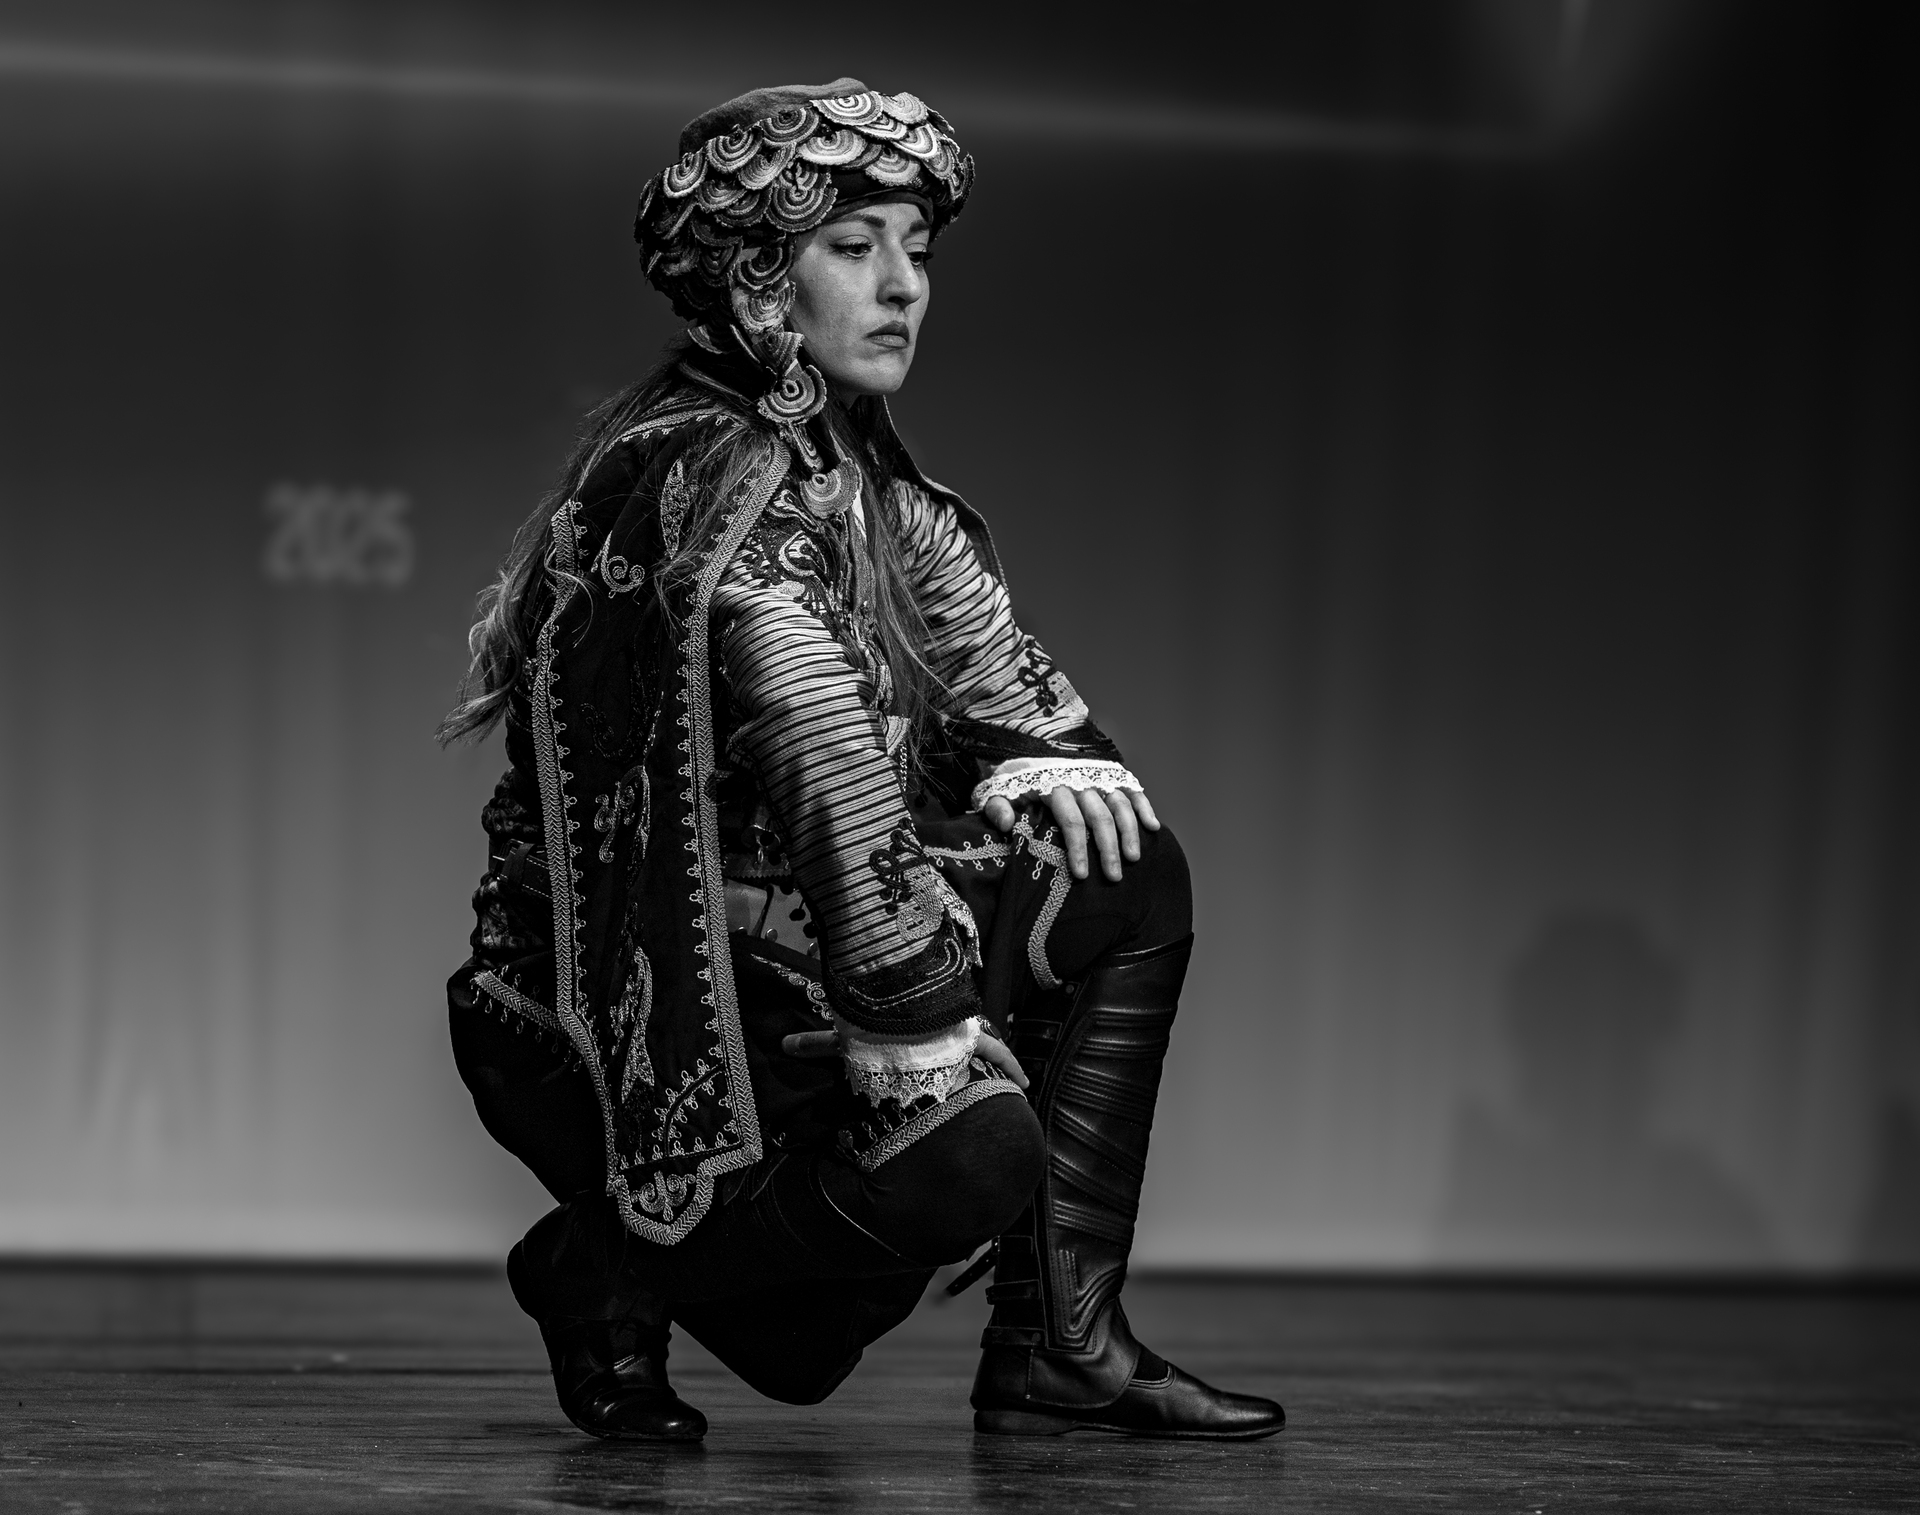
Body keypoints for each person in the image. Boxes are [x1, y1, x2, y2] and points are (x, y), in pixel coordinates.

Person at [440, 79, 1284, 1444]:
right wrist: (912, 1017)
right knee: (965, 1158)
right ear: (758, 281)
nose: (903, 288)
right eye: (854, 248)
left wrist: (1047, 760)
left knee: (1131, 874)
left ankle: (1059, 1346)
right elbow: (820, 744)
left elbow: (1003, 683)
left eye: (919, 253)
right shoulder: (696, 473)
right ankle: (597, 1272)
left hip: (789, 954)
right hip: (613, 1005)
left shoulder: (861, 472)